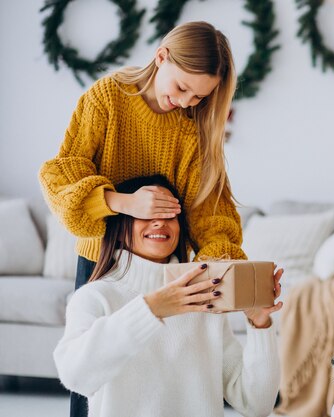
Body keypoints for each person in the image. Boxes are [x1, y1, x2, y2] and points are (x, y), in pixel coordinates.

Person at [38, 21, 245, 417]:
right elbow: (61, 173)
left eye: (199, 97)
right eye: (182, 88)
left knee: (161, 375)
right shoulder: (108, 98)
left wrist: (219, 273)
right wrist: (124, 203)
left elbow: (212, 214)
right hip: (104, 262)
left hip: (168, 269)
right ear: (160, 56)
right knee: (92, 377)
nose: (186, 102)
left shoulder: (193, 130)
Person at [54, 175, 283, 417]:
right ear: (119, 229)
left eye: (170, 213)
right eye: (146, 212)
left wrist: (260, 324)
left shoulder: (204, 299)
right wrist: (150, 309)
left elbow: (257, 404)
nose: (159, 222)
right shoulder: (96, 296)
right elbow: (75, 375)